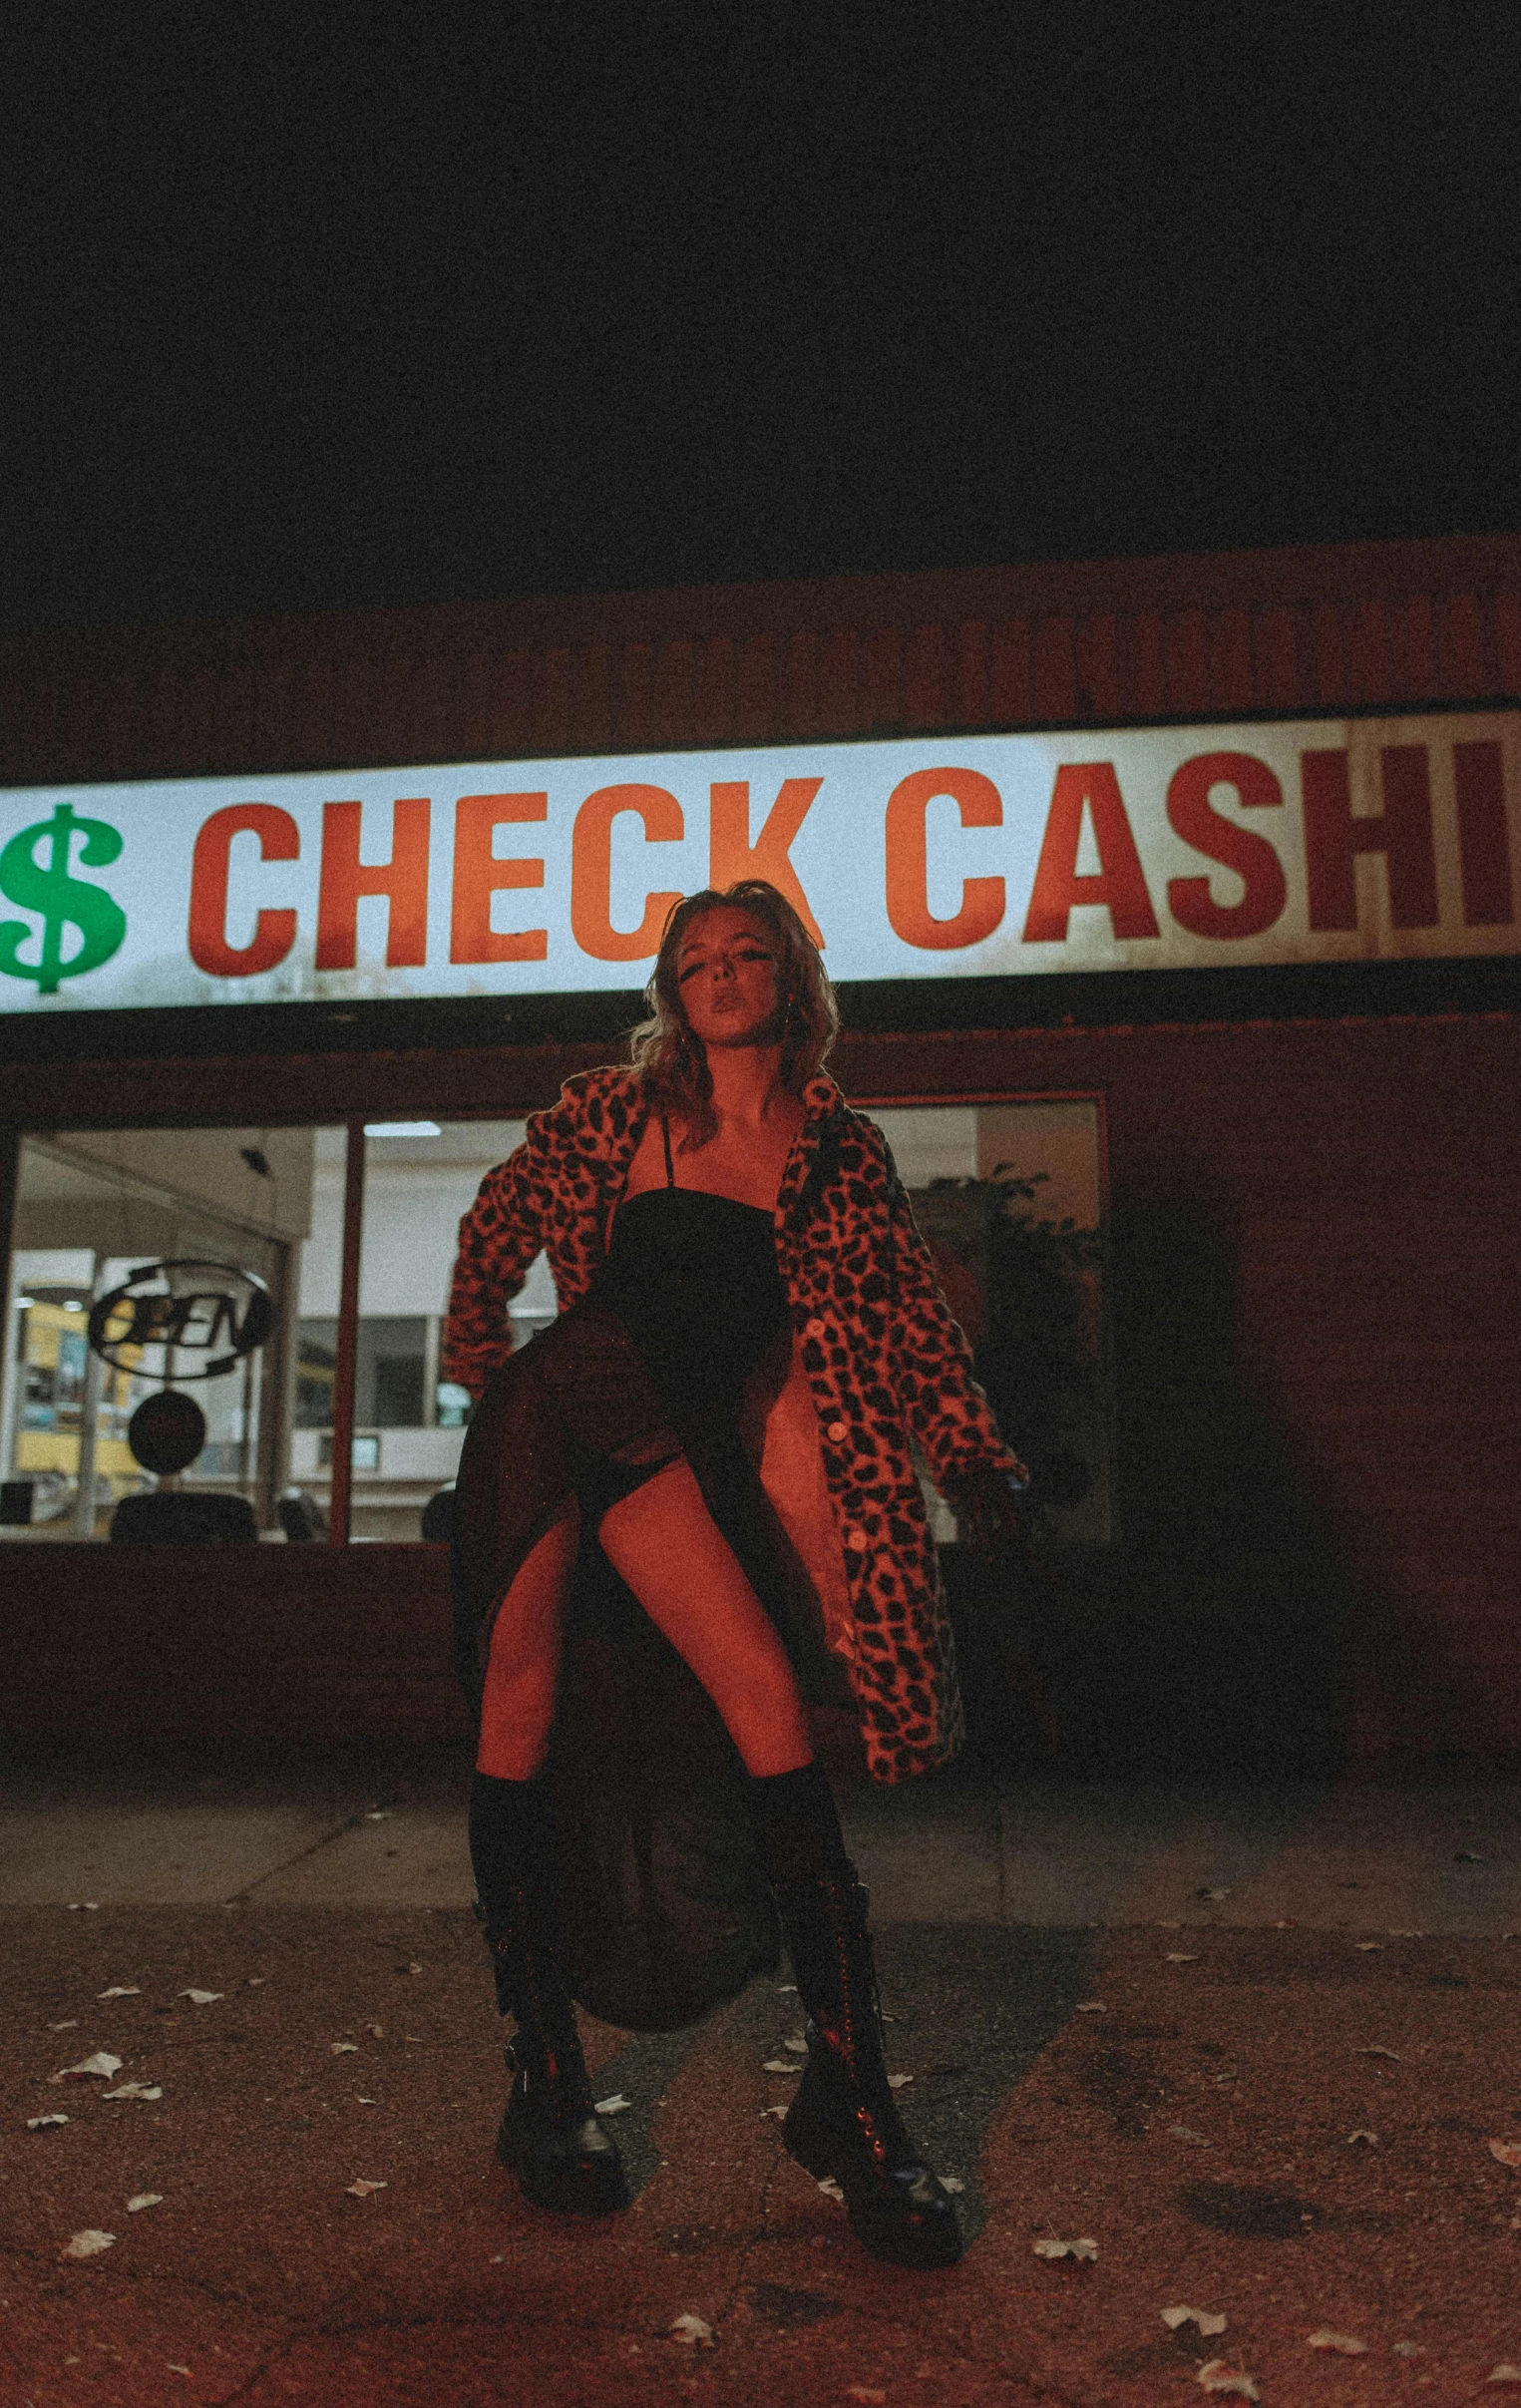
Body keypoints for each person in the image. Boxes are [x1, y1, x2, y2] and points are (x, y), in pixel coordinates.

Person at [442, 879, 1026, 2270]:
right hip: (565, 1417)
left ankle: (848, 2093)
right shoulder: (611, 1110)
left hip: (678, 1459)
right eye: (694, 958)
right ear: (670, 984)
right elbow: (493, 1229)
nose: (718, 974)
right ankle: (545, 2080)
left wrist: (974, 1456)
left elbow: (908, 1320)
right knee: (517, 1717)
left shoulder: (838, 1149)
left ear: (790, 980)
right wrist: (477, 1367)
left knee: (765, 1702)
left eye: (745, 954)